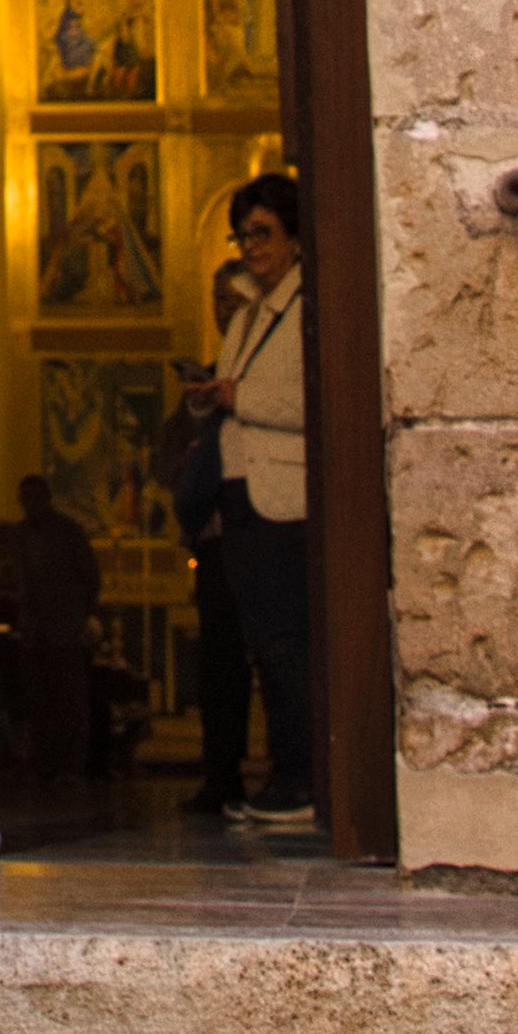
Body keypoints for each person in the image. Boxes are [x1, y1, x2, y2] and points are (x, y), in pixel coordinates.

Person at [180, 177, 319, 831]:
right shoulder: (252, 313)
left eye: (262, 234)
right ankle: (283, 775)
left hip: (280, 497)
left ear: (294, 236)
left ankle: (303, 777)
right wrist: (208, 395)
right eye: (244, 236)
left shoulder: (308, 309)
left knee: (286, 645)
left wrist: (237, 398)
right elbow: (233, 386)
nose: (252, 248)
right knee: (262, 645)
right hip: (240, 495)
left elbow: (314, 401)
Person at [175, 249, 282, 821]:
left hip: (262, 521)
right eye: (218, 300)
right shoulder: (214, 371)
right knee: (219, 664)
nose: (225, 310)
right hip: (216, 538)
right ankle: (222, 772)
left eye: (234, 301)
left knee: (272, 649)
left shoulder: (266, 364)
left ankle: (286, 771)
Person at [0, 471, 106, 783]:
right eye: (24, 499)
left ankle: (71, 764)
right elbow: (12, 575)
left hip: (64, 628)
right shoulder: (19, 536)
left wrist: (79, 615)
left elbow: (89, 577)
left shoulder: (69, 532)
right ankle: (43, 761)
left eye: (34, 498)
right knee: (38, 700)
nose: (29, 505)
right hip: (34, 630)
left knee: (69, 699)